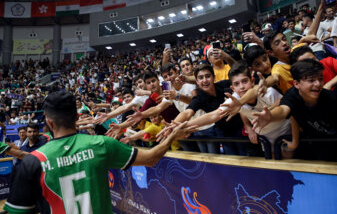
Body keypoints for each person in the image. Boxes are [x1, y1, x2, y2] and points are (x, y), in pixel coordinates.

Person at [4, 91, 196, 214]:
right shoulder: (101, 144)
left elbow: (19, 211)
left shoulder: (33, 161)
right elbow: (152, 158)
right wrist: (172, 135)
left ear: (49, 122)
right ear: (77, 117)